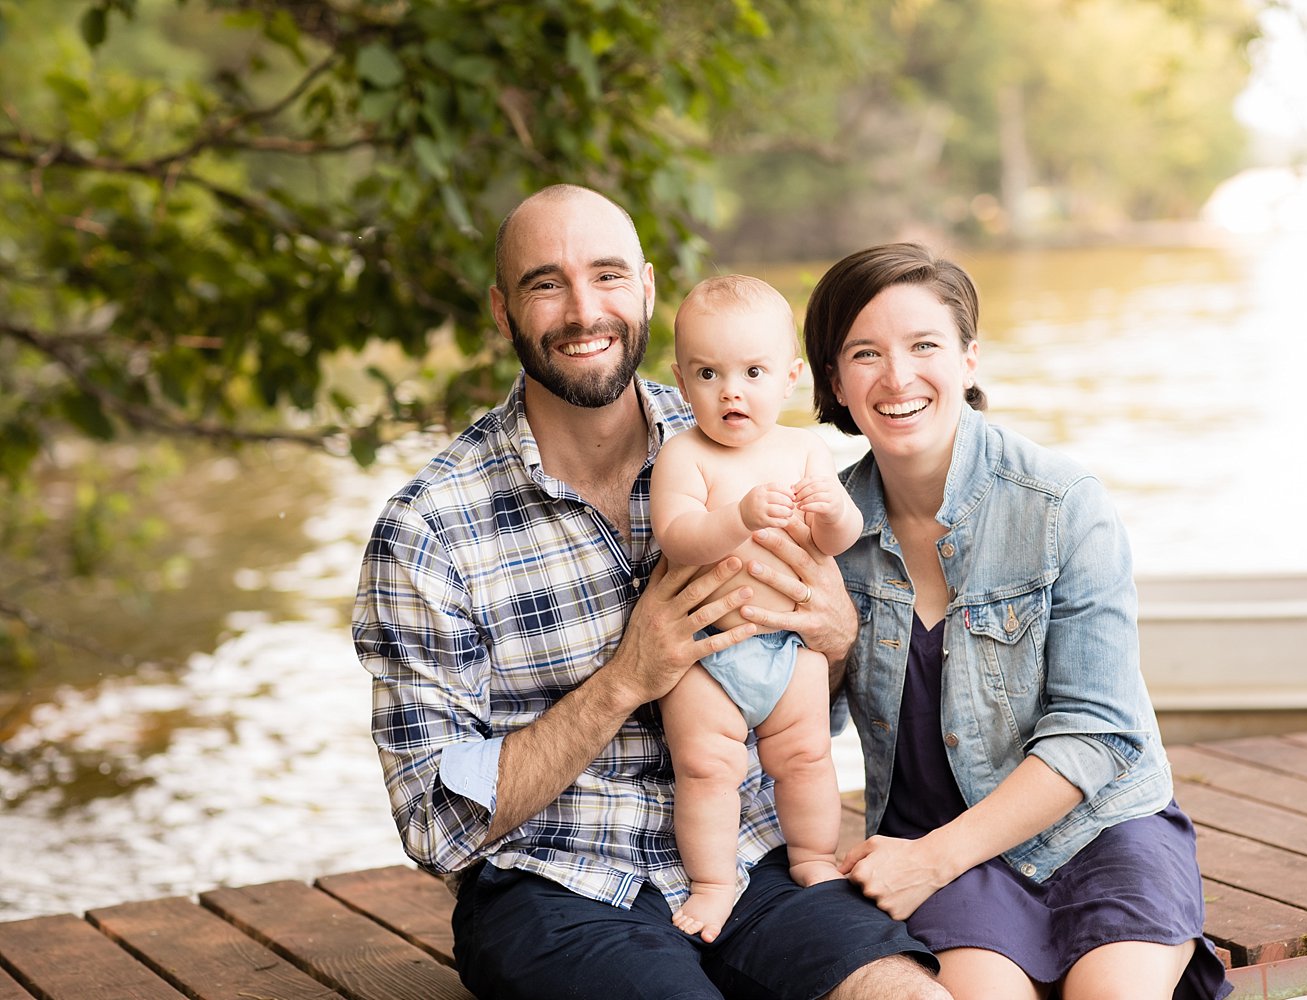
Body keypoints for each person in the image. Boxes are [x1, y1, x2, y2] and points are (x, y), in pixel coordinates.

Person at [351, 186, 945, 1000]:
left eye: (607, 276)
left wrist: (837, 636)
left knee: (905, 994)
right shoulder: (428, 530)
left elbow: (818, 710)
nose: (584, 309)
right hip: (558, 887)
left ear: (648, 290)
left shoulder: (755, 439)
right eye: (545, 283)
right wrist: (627, 677)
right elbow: (434, 824)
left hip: (755, 854)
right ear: (502, 311)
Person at [800, 243, 1231, 1000]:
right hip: (934, 839)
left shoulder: (1064, 504)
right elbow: (801, 723)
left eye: (924, 345)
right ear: (834, 380)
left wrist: (933, 859)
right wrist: (832, 644)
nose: (897, 377)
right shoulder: (822, 529)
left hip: (1101, 831)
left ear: (969, 359)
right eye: (866, 353)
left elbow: (1098, 729)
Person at [651, 274, 862, 942]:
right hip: (709, 649)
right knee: (707, 768)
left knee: (805, 758)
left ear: (791, 377)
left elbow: (836, 541)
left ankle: (812, 856)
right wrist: (735, 517)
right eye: (708, 373)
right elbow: (677, 538)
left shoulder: (804, 449)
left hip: (786, 643)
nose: (730, 391)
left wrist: (834, 514)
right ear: (682, 384)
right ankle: (713, 882)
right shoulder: (683, 455)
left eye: (752, 371)